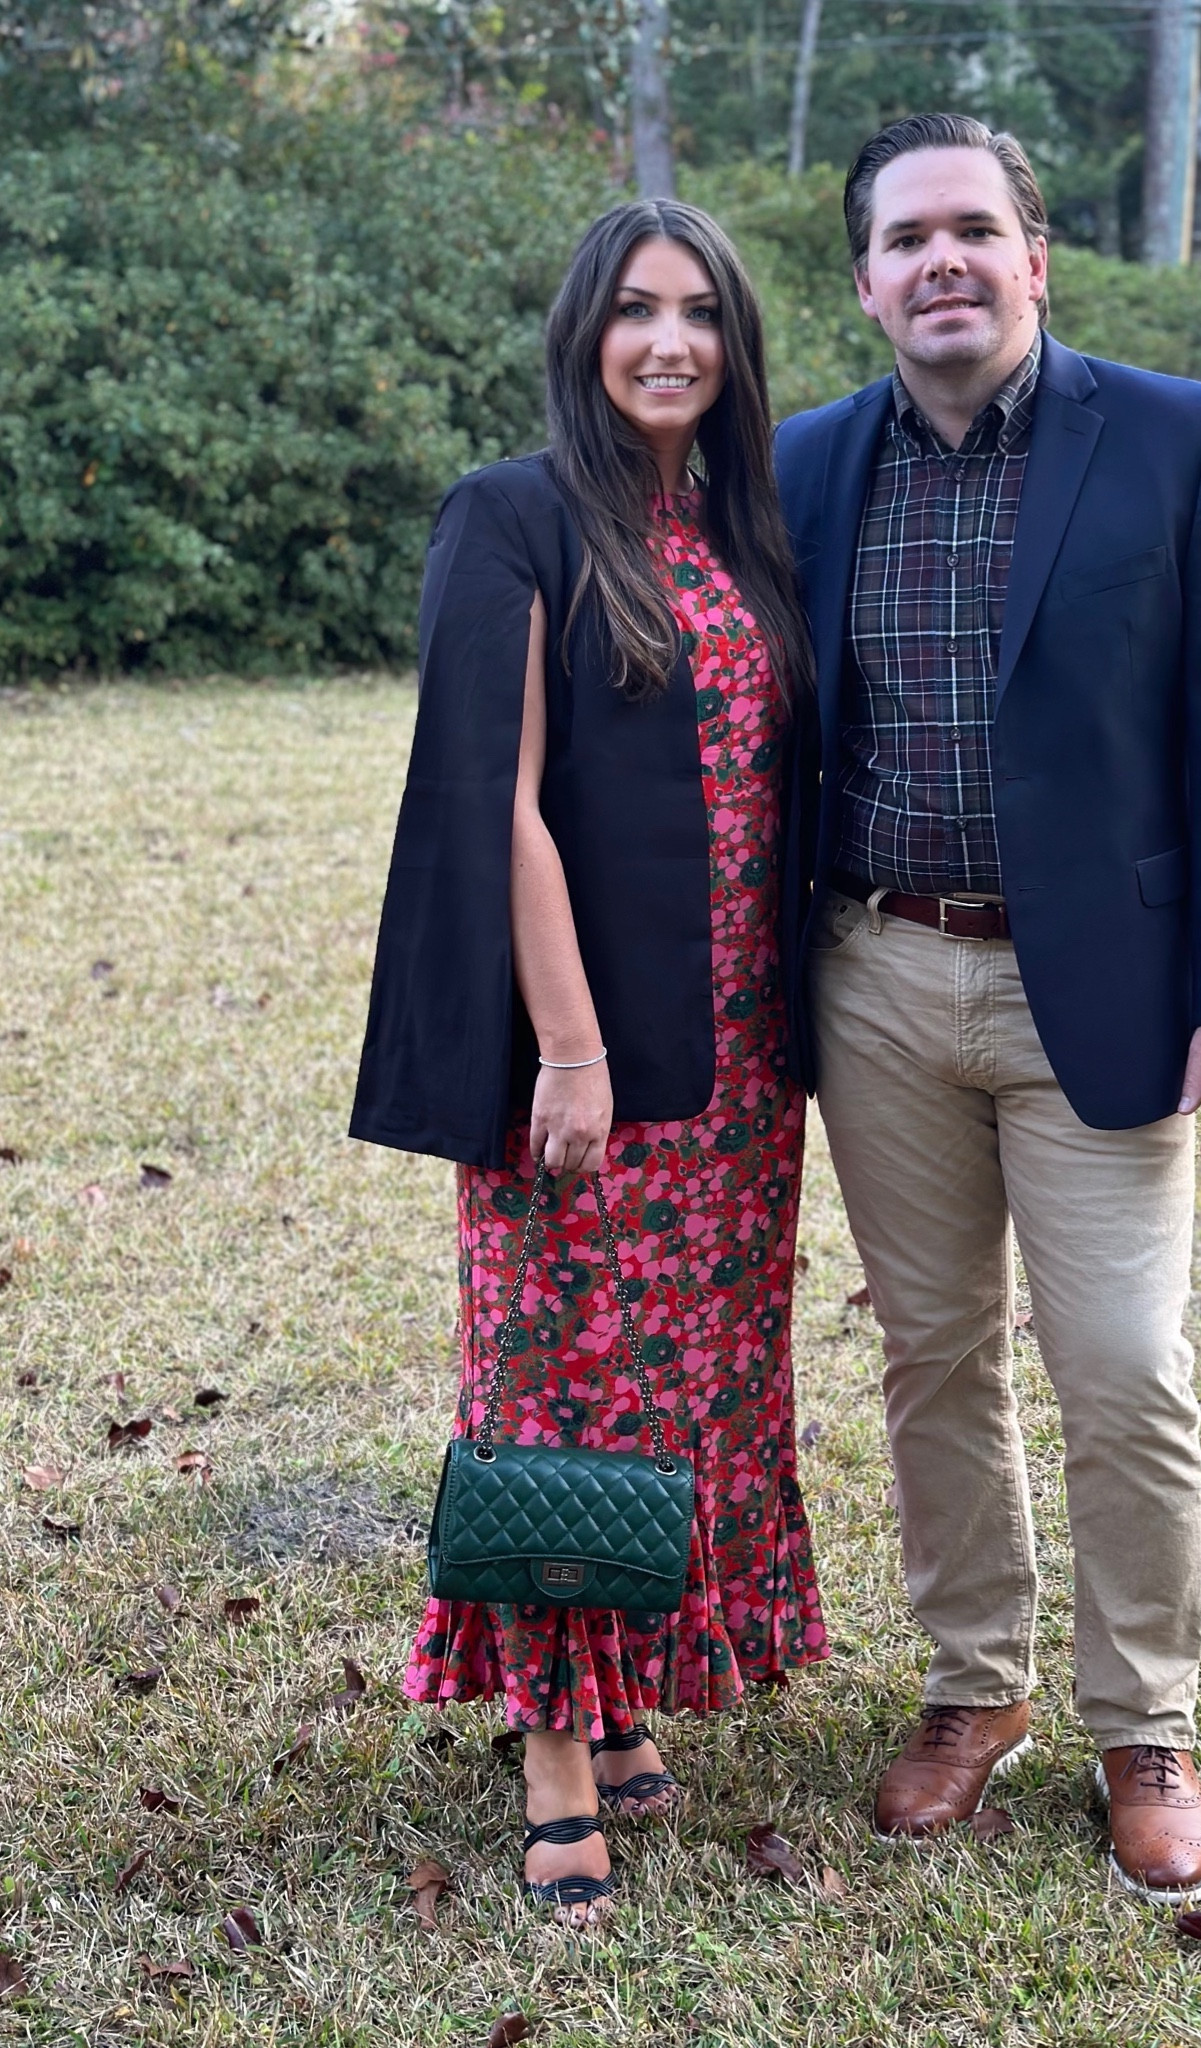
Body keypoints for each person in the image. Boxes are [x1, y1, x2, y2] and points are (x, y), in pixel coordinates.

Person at [774, 114, 1201, 1902]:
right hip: (876, 975)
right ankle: (968, 1689)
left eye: (973, 230)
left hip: (1112, 991)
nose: (942, 261)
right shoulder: (804, 466)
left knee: (1123, 1367)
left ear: (1035, 257)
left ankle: (1142, 1718)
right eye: (906, 239)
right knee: (932, 1359)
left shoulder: (1172, 436)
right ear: (863, 282)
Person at [350, 199, 826, 1929]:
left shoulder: (735, 525)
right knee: (556, 1393)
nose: (668, 342)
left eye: (700, 313)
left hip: (743, 1066)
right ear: (581, 331)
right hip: (592, 1059)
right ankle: (557, 1752)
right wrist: (568, 1049)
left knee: (685, 1386)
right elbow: (508, 803)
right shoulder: (516, 514)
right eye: (634, 311)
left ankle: (630, 1691)